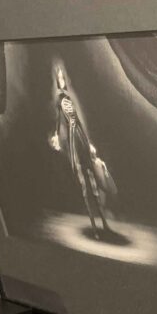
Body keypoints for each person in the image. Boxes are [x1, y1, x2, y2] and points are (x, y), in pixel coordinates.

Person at [49, 58, 115, 240]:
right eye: (59, 78)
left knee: (93, 180)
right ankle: (94, 227)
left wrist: (89, 143)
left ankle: (104, 223)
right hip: (72, 139)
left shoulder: (69, 98)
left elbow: (77, 120)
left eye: (63, 77)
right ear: (57, 80)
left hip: (79, 135)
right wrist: (56, 137)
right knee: (84, 184)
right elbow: (58, 122)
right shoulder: (59, 100)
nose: (62, 80)